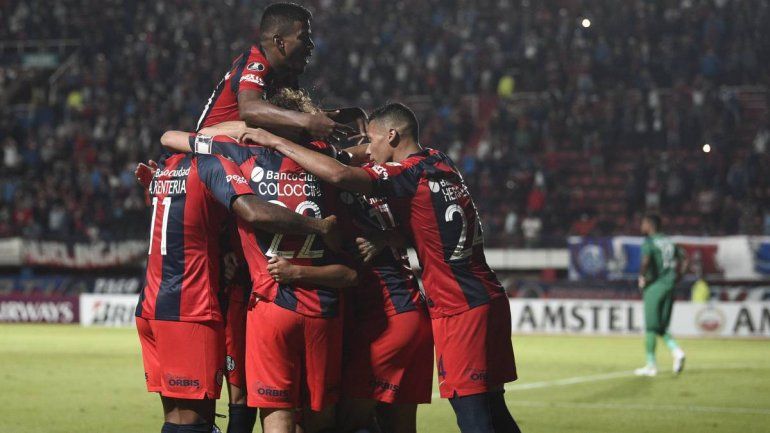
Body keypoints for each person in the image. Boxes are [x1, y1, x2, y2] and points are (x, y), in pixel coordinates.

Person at [244, 103, 522, 433]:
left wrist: (276, 142)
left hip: (457, 308)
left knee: (473, 418)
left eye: (372, 141)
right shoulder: (439, 161)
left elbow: (339, 174)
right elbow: (427, 217)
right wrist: (390, 234)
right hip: (487, 296)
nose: (368, 150)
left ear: (392, 135)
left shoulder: (406, 173)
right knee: (494, 412)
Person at [159, 98, 360, 433]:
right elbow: (360, 160)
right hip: (324, 304)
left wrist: (246, 129)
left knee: (275, 415)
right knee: (321, 419)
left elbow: (171, 138)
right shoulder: (326, 156)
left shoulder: (235, 152)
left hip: (271, 303)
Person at [134, 150, 340, 433]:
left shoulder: (168, 167)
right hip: (190, 307)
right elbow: (252, 211)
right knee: (195, 423)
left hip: (151, 305)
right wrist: (317, 226)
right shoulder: (212, 164)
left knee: (176, 419)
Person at [196, 2, 349, 142]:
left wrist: (344, 118)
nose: (311, 45)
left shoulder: (285, 73)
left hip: (244, 153)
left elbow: (293, 119)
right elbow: (249, 109)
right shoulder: (255, 63)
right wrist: (307, 120)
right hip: (210, 152)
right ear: (279, 42)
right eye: (304, 37)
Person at [635, 213, 689, 377]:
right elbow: (685, 258)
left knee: (651, 327)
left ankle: (651, 365)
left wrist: (642, 277)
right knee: (660, 327)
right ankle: (676, 351)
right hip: (670, 286)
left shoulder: (649, 242)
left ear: (650, 225)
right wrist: (680, 275)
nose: (641, 226)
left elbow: (646, 260)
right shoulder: (669, 241)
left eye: (643, 223)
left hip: (655, 286)